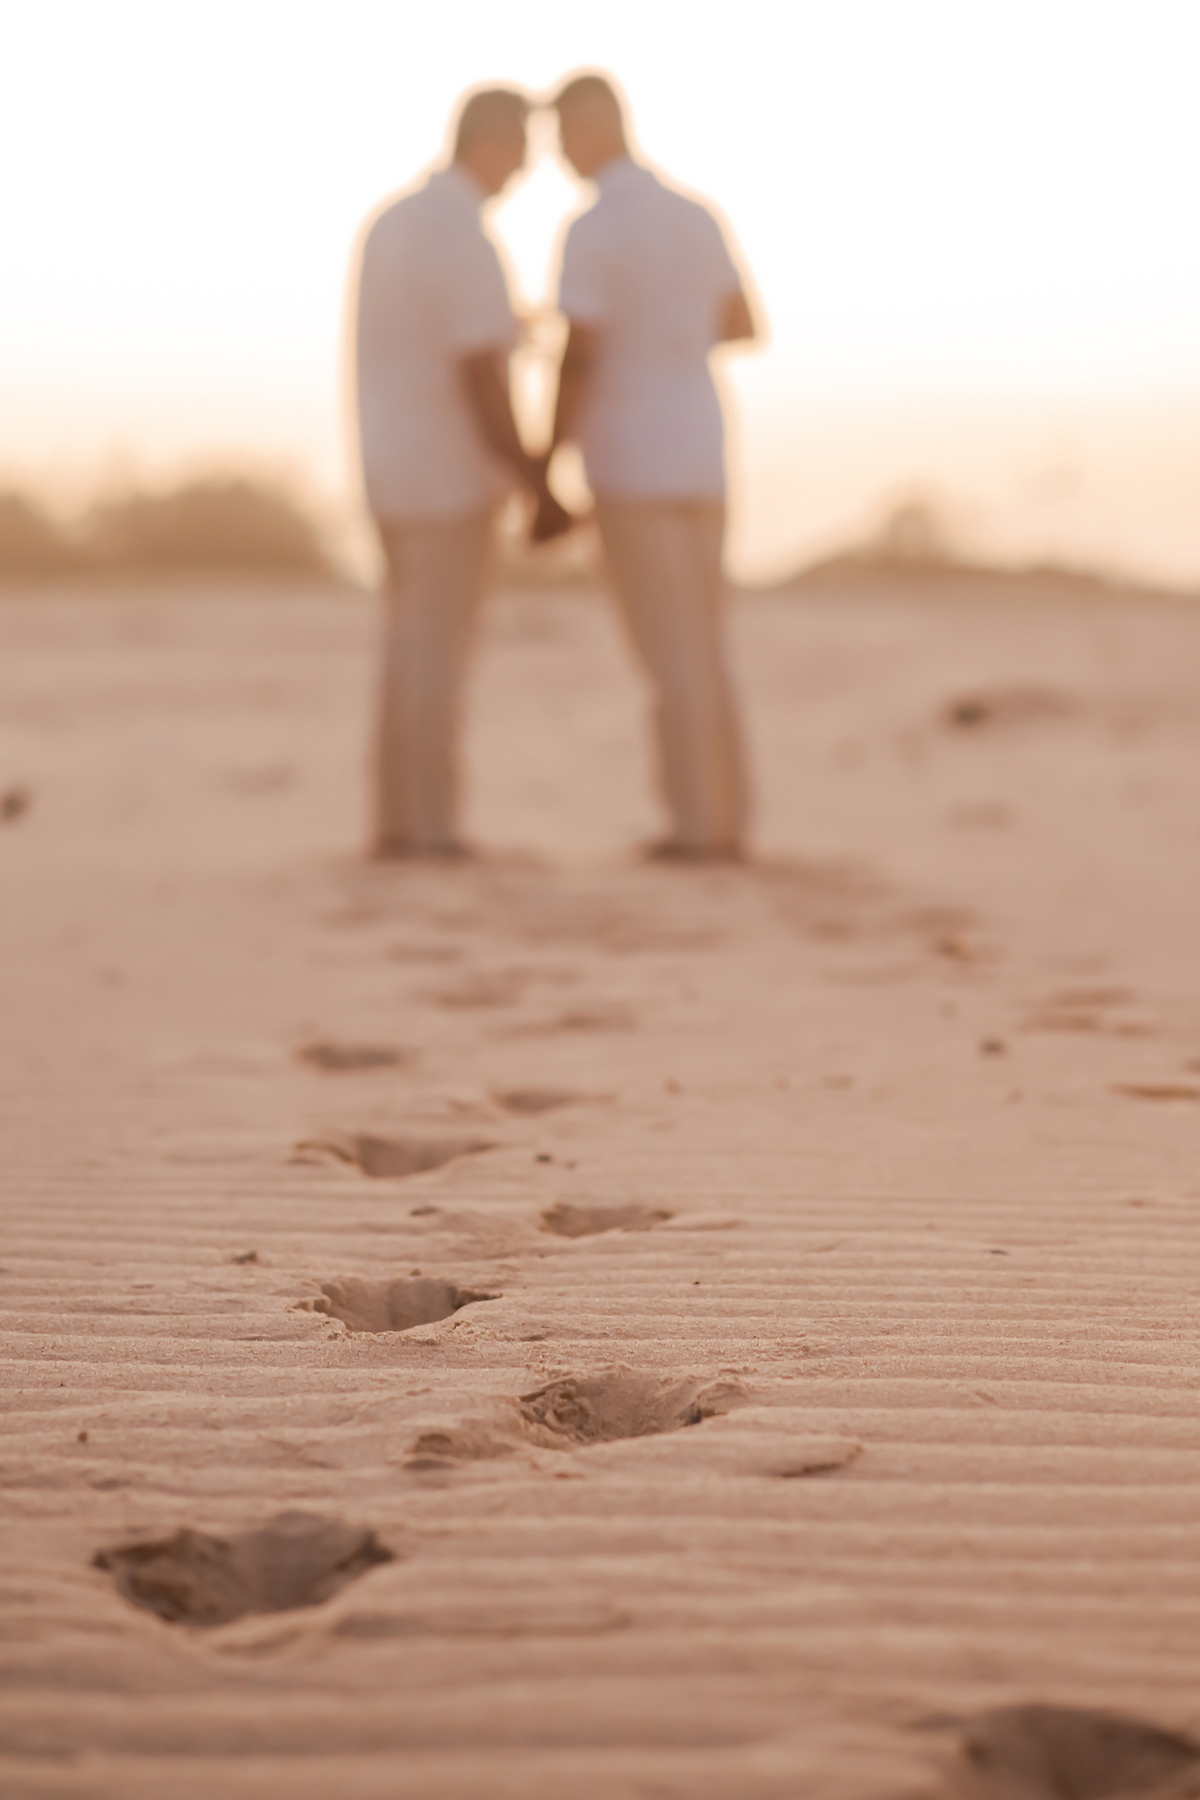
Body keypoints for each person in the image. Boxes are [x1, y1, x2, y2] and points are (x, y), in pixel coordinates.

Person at [544, 72, 758, 861]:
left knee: (666, 649)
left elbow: (582, 357)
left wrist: (545, 462)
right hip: (701, 448)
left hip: (633, 458)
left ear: (594, 128)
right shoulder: (696, 215)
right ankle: (729, 817)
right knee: (705, 639)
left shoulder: (594, 230)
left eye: (564, 136)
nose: (561, 156)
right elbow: (743, 323)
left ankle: (696, 826)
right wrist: (672, 334)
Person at [354, 87, 572, 859]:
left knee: (406, 646)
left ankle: (395, 819)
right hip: (447, 474)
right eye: (523, 149)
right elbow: (480, 376)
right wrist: (536, 484)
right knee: (438, 655)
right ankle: (433, 826)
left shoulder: (391, 224)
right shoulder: (464, 239)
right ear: (491, 141)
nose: (526, 168)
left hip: (388, 466)